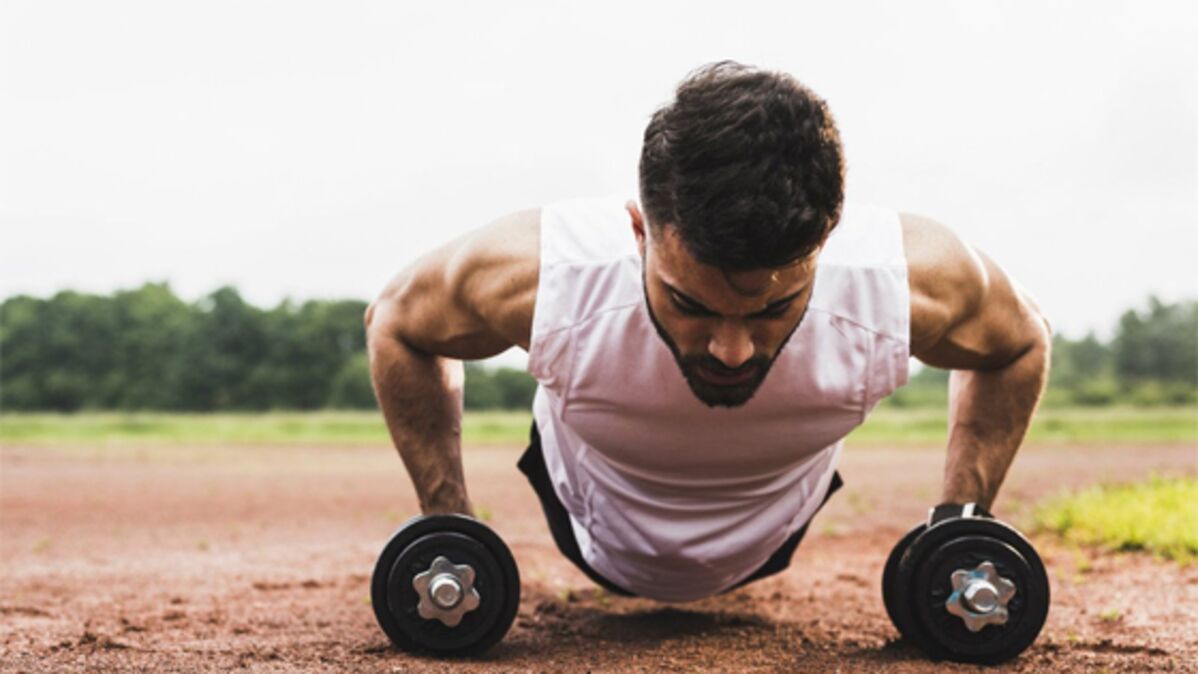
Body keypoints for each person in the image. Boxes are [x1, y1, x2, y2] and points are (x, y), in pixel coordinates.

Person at [364, 61, 1051, 603]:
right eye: (689, 302)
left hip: (776, 529)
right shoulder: (550, 276)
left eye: (773, 311)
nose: (732, 350)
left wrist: (961, 519)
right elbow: (396, 321)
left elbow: (1021, 342)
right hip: (589, 524)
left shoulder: (897, 284)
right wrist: (446, 521)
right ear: (639, 232)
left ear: (826, 242)